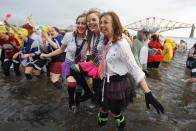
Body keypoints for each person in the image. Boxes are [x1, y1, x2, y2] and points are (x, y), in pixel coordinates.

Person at [98, 11, 164, 129]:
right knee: (103, 108)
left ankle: (121, 125)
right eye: (101, 22)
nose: (102, 25)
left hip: (117, 83)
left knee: (115, 112)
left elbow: (134, 68)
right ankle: (102, 122)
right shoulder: (106, 40)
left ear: (114, 25)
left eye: (105, 22)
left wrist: (148, 93)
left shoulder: (121, 44)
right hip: (105, 81)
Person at [40, 13, 88, 109]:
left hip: (81, 65)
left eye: (83, 23)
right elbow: (61, 49)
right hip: (69, 64)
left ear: (87, 25)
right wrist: (46, 55)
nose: (80, 26)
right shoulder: (69, 35)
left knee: (79, 87)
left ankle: (77, 103)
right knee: (71, 84)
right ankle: (71, 101)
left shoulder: (91, 37)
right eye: (78, 23)